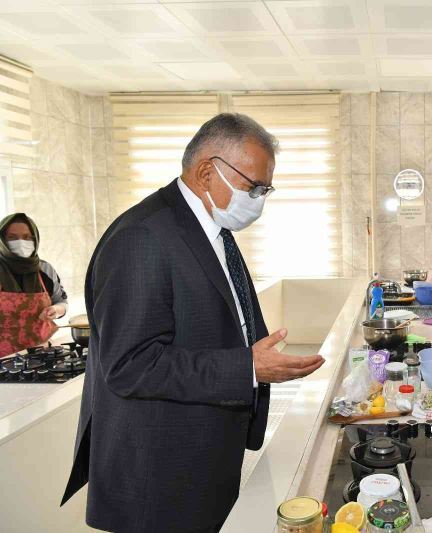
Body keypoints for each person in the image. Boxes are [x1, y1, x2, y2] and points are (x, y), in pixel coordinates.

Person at [61, 113, 325, 533]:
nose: (259, 200)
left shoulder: (208, 226)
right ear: (206, 172)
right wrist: (247, 367)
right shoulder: (142, 237)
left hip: (204, 455)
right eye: (254, 187)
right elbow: (129, 365)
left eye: (266, 190)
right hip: (160, 475)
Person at [0, 213, 68, 357]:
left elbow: (62, 302)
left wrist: (55, 310)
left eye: (26, 237)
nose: (20, 242)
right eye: (12, 237)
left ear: (35, 239)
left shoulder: (45, 269)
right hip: (4, 360)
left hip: (41, 355)